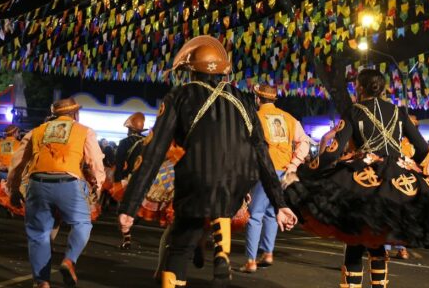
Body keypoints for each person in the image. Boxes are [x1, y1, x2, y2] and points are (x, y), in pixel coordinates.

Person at [117, 35, 297, 288]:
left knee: (180, 245)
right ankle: (221, 252)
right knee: (218, 204)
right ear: (223, 72)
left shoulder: (179, 96)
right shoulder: (242, 99)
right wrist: (280, 203)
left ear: (190, 70)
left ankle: (187, 264)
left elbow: (154, 152)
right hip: (238, 182)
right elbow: (261, 152)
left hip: (198, 178)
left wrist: (130, 205)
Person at [286, 69, 429, 288]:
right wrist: (410, 165)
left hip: (362, 178)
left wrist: (305, 172)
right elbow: (421, 148)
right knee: (378, 233)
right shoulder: (399, 112)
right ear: (382, 89)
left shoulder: (354, 111)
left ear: (360, 88)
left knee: (355, 234)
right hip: (397, 180)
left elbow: (333, 152)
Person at [7, 98, 105, 288]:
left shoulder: (37, 131)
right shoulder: (84, 131)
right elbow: (95, 161)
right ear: (75, 114)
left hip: (37, 184)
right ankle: (69, 260)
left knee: (39, 234)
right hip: (68, 182)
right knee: (82, 223)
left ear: (54, 115)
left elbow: (17, 162)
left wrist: (13, 188)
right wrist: (99, 185)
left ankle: (42, 282)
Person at [239, 84, 310, 273]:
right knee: (272, 212)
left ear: (257, 98)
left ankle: (250, 261)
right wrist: (294, 164)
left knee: (255, 215)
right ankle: (267, 253)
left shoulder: (255, 118)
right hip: (283, 173)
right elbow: (304, 141)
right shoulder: (288, 118)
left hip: (264, 171)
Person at [0, 125, 21, 224]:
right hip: (12, 174)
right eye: (18, 132)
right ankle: (12, 211)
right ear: (15, 133)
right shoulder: (19, 144)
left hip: (0, 173)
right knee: (15, 193)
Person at [113, 112, 147, 182]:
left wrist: (117, 181)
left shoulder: (124, 142)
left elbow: (119, 164)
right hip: (144, 178)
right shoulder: (148, 140)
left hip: (129, 179)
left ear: (130, 129)